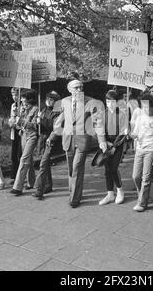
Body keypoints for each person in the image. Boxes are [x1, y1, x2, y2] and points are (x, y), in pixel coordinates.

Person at [47, 79, 107, 208]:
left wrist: (102, 140)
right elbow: (60, 120)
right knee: (70, 169)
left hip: (82, 140)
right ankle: (74, 191)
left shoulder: (91, 102)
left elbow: (97, 122)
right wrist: (52, 136)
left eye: (81, 87)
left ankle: (74, 198)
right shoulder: (65, 101)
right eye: (76, 88)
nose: (79, 90)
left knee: (77, 167)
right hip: (68, 139)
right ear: (70, 90)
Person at [130, 93, 153, 212]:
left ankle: (142, 203)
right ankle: (141, 193)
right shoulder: (139, 118)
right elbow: (135, 133)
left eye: (149, 107)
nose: (146, 109)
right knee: (135, 176)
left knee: (146, 177)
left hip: (151, 149)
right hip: (139, 149)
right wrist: (130, 134)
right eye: (144, 107)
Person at [98, 90, 128, 205]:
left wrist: (115, 146)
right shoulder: (102, 113)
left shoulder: (122, 114)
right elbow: (99, 129)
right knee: (107, 169)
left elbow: (123, 132)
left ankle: (120, 190)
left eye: (112, 101)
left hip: (117, 145)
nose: (110, 103)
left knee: (114, 168)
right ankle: (110, 193)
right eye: (108, 101)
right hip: (106, 144)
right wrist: (102, 142)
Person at [31, 90, 61, 200]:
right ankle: (47, 185)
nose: (48, 101)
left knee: (43, 164)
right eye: (47, 99)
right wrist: (37, 122)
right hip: (42, 140)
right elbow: (40, 126)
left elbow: (53, 127)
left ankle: (40, 189)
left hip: (51, 140)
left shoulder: (57, 112)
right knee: (45, 164)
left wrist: (41, 120)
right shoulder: (43, 109)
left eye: (51, 99)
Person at [10, 89, 39, 196]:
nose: (22, 101)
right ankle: (32, 182)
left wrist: (21, 121)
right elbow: (16, 124)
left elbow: (34, 125)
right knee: (29, 160)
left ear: (30, 99)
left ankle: (17, 187)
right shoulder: (21, 109)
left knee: (24, 159)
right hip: (23, 135)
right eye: (22, 99)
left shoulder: (36, 110)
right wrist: (13, 117)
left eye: (24, 99)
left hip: (32, 136)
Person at [7, 87, 23, 184]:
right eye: (13, 95)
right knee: (13, 154)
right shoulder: (13, 105)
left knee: (20, 154)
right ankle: (14, 175)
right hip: (14, 131)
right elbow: (11, 118)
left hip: (21, 130)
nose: (14, 97)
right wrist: (10, 122)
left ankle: (21, 176)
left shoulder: (23, 105)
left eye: (16, 95)